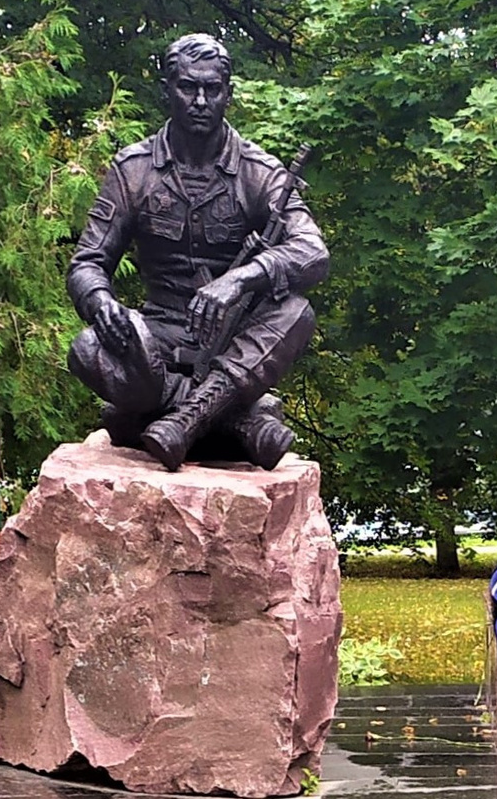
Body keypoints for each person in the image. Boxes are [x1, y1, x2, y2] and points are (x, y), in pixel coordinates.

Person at [65, 34, 328, 471]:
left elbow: (313, 252)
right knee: (85, 349)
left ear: (229, 93)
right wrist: (101, 303)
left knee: (297, 312)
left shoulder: (258, 172)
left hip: (234, 342)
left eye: (213, 89)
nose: (201, 100)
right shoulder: (133, 170)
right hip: (158, 339)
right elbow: (88, 263)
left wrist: (242, 278)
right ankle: (233, 421)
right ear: (168, 89)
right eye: (188, 87)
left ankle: (172, 422)